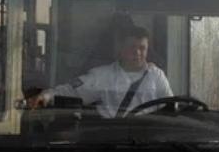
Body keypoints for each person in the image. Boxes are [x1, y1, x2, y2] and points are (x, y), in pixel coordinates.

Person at [41, 22, 173, 117]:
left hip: (148, 140)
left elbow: (169, 107)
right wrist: (46, 96)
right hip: (112, 139)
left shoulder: (156, 75)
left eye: (142, 48)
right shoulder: (103, 75)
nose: (137, 52)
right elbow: (71, 91)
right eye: (132, 47)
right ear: (120, 49)